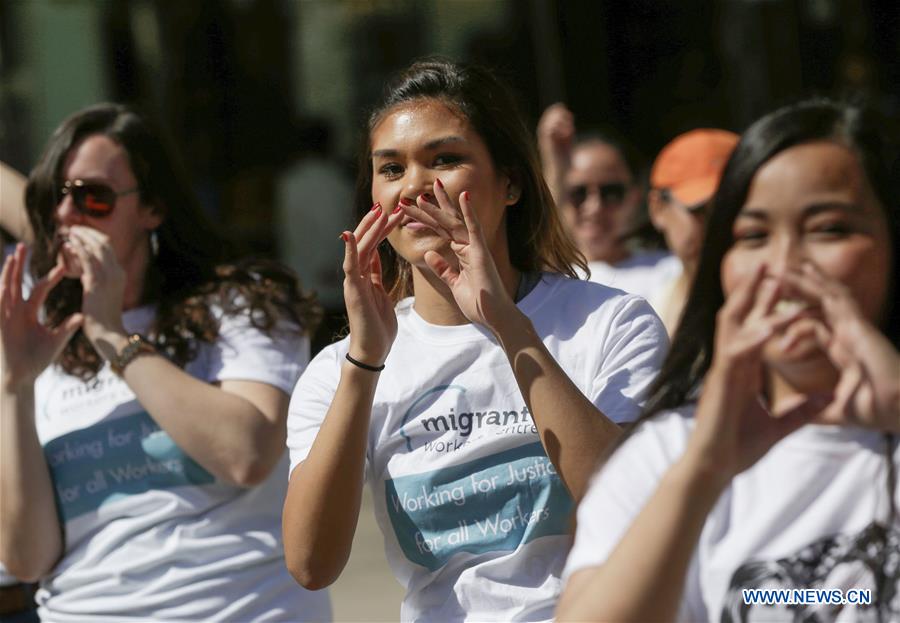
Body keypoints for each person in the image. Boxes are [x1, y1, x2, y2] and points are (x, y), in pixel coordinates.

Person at [283, 60, 668, 622]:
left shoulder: (611, 322)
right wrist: (363, 362)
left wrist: (507, 325)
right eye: (391, 168)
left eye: (444, 160)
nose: (414, 185)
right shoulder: (340, 369)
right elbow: (311, 564)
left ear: (510, 181)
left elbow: (635, 508)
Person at [557, 98, 899, 622]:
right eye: (754, 236)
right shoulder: (667, 454)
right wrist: (702, 471)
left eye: (828, 228)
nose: (784, 267)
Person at [0, 104, 331, 621]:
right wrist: (14, 387)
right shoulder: (44, 339)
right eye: (52, 199)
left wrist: (112, 334)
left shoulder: (239, 305)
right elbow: (27, 558)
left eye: (94, 197)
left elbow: (246, 454)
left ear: (153, 207)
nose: (68, 216)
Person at [536, 103, 677, 301]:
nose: (594, 207)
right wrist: (553, 166)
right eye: (579, 193)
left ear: (635, 195)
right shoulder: (543, 281)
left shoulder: (668, 271)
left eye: (611, 193)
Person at [646, 129, 739, 334]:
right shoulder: (641, 305)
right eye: (700, 210)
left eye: (730, 208)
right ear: (658, 209)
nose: (717, 224)